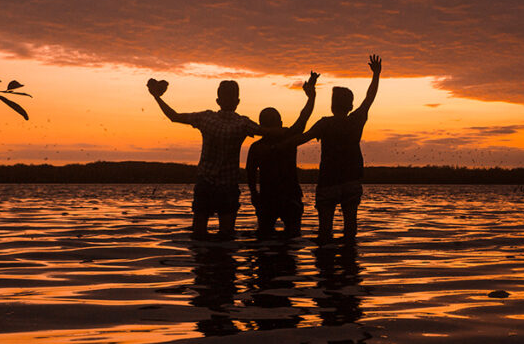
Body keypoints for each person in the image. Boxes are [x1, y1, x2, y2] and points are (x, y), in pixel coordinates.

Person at [147, 78, 261, 240]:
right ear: (238, 101)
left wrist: (156, 96)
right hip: (228, 187)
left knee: (199, 234)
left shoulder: (206, 118)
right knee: (227, 236)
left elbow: (174, 116)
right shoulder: (243, 123)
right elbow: (269, 132)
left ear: (218, 100)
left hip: (205, 184)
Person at [292, 55, 381, 243]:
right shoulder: (355, 120)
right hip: (350, 182)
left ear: (332, 105)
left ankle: (326, 265)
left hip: (328, 182)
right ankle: (349, 263)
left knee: (325, 231)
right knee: (350, 229)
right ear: (350, 105)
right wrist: (376, 75)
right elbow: (370, 97)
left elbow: (302, 138)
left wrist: (278, 144)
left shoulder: (325, 124)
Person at [246, 72, 319, 239]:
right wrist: (311, 96)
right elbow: (304, 117)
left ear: (261, 126)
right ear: (279, 122)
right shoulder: (289, 136)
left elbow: (250, 174)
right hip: (288, 196)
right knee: (292, 237)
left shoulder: (257, 147)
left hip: (269, 197)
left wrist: (253, 193)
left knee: (264, 237)